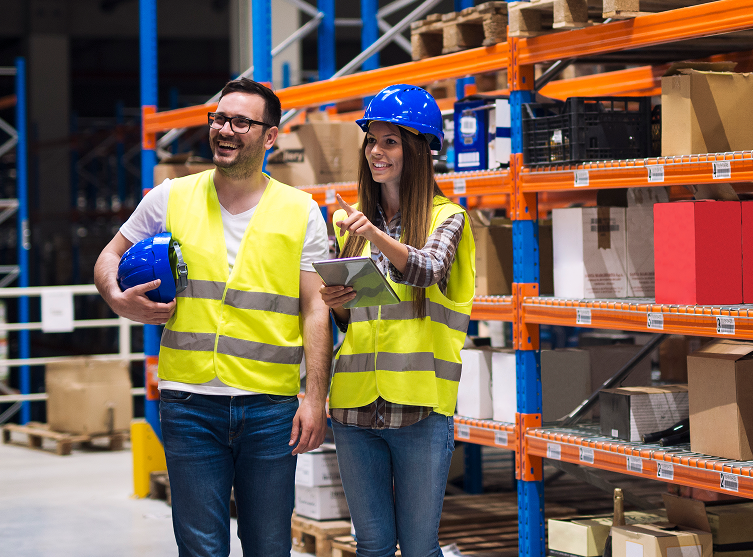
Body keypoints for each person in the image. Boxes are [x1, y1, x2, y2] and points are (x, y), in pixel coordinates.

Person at [94, 78, 331, 557]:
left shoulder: (301, 211)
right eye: (219, 119)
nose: (226, 129)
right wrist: (117, 299)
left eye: (241, 121)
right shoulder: (170, 197)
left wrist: (316, 398)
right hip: (189, 404)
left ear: (269, 136)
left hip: (270, 407)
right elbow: (108, 258)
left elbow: (316, 306)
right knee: (200, 548)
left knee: (268, 546)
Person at [320, 84, 475, 557]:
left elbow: (427, 270)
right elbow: (351, 320)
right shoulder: (351, 223)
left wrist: (375, 235)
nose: (376, 151)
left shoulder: (448, 218)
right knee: (371, 546)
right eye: (371, 140)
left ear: (419, 148)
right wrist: (336, 300)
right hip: (353, 406)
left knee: (420, 547)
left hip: (419, 407)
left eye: (390, 141)